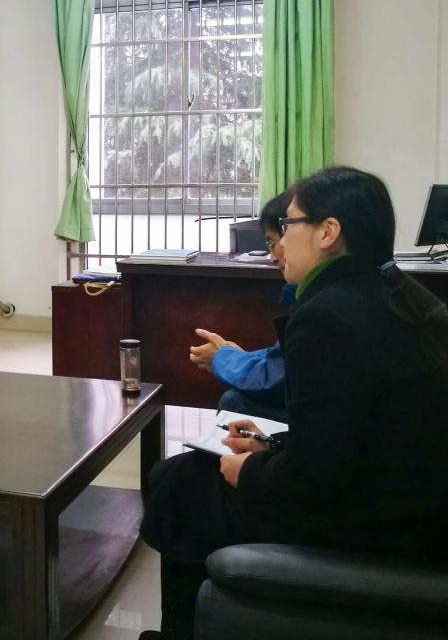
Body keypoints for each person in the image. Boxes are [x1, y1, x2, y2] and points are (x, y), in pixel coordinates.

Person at [138, 166, 448, 640]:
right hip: (412, 506)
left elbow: (313, 477)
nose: (280, 241)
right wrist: (272, 445)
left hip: (377, 524)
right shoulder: (406, 296)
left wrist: (252, 471)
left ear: (327, 232)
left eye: (288, 224)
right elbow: (351, 430)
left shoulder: (327, 316)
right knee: (188, 473)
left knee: (180, 483)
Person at [188, 192, 295, 422]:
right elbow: (282, 360)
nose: (272, 257)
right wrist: (237, 357)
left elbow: (276, 378)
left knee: (234, 402)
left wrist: (222, 358)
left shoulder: (326, 305)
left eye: (274, 242)